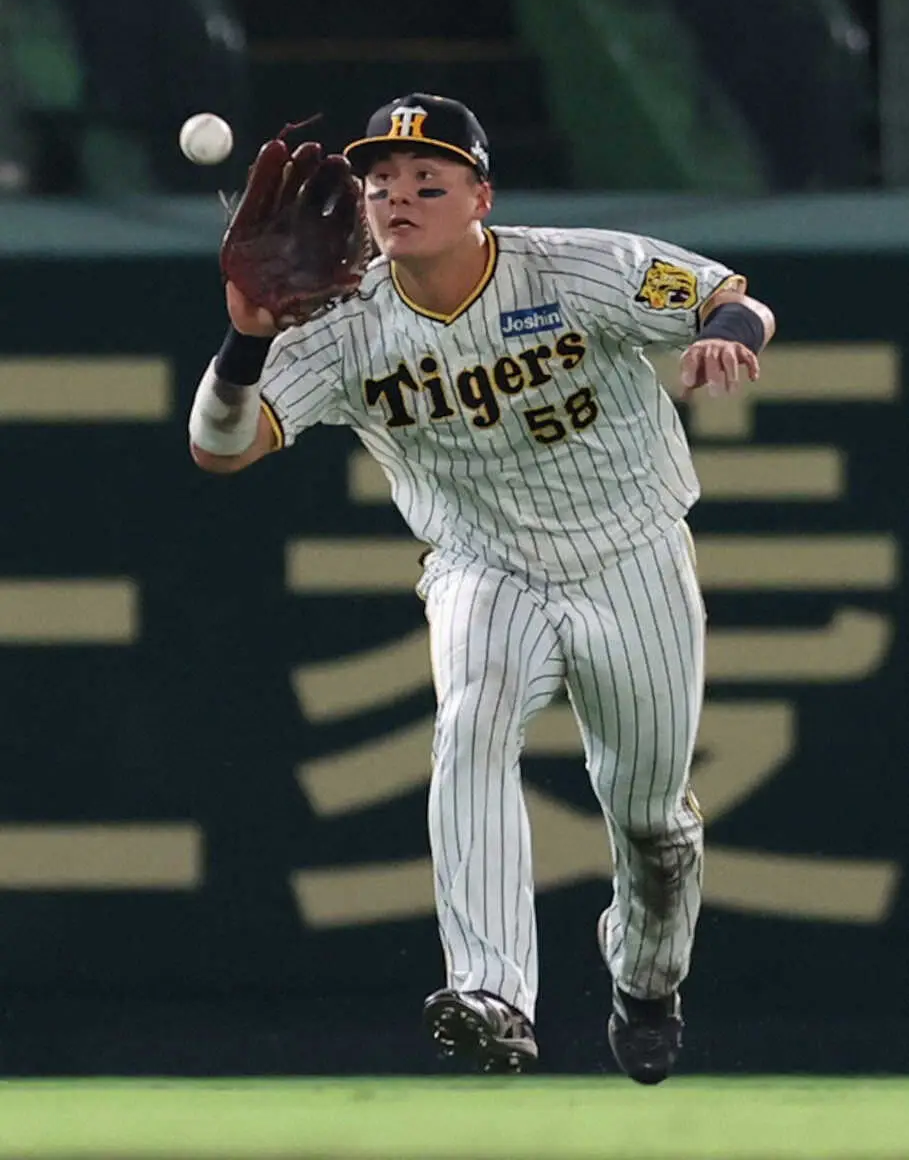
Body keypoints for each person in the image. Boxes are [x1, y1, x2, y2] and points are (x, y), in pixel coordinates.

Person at [188, 93, 775, 1084]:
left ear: (481, 197)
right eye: (380, 185)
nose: (399, 197)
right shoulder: (341, 326)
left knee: (652, 823)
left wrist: (734, 337)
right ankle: (493, 991)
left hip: (632, 558)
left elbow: (728, 295)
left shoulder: (577, 265)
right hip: (481, 566)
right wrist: (244, 339)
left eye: (429, 180)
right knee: (472, 724)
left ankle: (646, 977)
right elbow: (221, 447)